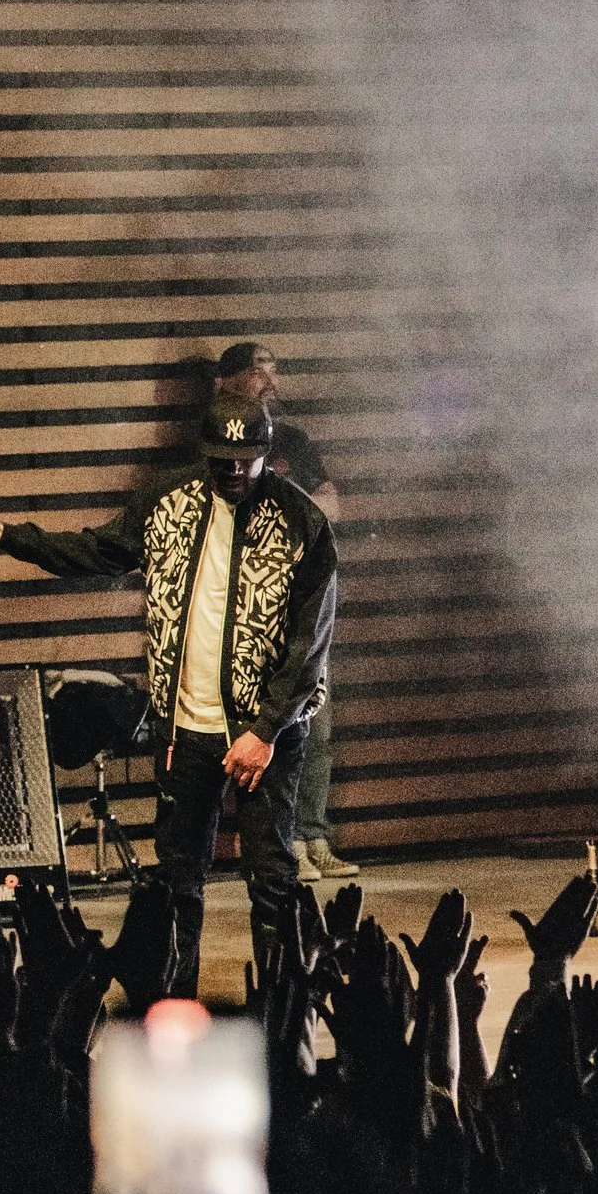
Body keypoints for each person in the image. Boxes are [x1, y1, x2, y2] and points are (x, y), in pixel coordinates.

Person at [0, 394, 337, 992]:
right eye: (222, 459)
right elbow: (97, 550)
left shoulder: (301, 521)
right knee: (178, 880)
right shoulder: (167, 499)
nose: (234, 470)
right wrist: (3, 534)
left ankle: (284, 1017)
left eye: (246, 459)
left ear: (265, 453)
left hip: (263, 736)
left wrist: (265, 731)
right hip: (185, 729)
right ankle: (175, 1005)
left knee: (272, 877)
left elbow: (310, 645)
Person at [211, 340, 359, 882]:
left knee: (316, 727)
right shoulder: (213, 440)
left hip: (302, 604)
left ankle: (313, 836)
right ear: (227, 381)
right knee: (263, 733)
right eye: (258, 371)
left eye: (274, 371)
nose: (270, 382)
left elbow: (332, 505)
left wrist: (286, 506)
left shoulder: (293, 440)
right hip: (244, 611)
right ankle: (283, 842)